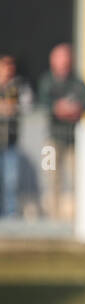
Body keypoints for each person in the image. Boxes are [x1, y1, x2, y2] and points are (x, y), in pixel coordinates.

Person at [36, 43, 85, 221]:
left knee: (77, 179)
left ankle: (78, 218)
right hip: (51, 141)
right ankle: (54, 218)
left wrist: (75, 109)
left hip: (73, 142)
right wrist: (57, 108)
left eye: (66, 58)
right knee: (52, 180)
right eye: (60, 58)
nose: (63, 62)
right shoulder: (47, 81)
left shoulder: (77, 82)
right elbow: (42, 104)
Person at [0, 55, 30, 218]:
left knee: (11, 181)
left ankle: (10, 217)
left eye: (10, 68)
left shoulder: (18, 86)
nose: (7, 71)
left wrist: (12, 107)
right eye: (4, 67)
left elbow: (27, 105)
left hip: (10, 142)